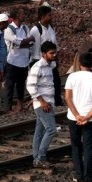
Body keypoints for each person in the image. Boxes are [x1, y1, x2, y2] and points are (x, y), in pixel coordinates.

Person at [63, 51, 92, 182]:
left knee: (76, 146)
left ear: (79, 63)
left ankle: (78, 175)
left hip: (73, 118)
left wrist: (77, 115)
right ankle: (88, 176)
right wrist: (87, 117)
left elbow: (67, 98)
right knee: (88, 147)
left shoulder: (71, 77)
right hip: (89, 119)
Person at [26, 41, 60, 170]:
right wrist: (41, 101)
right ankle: (40, 158)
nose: (54, 55)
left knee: (39, 131)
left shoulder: (49, 66)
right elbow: (30, 85)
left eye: (55, 52)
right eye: (51, 53)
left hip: (46, 102)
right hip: (43, 104)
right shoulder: (38, 66)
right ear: (44, 53)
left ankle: (36, 158)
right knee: (51, 130)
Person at [1, 12, 32, 113]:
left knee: (21, 85)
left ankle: (20, 106)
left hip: (23, 61)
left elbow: (31, 42)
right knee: (9, 85)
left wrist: (23, 42)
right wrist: (25, 41)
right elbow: (18, 42)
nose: (24, 15)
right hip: (12, 62)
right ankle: (7, 108)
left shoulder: (25, 28)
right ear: (16, 17)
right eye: (21, 14)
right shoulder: (8, 29)